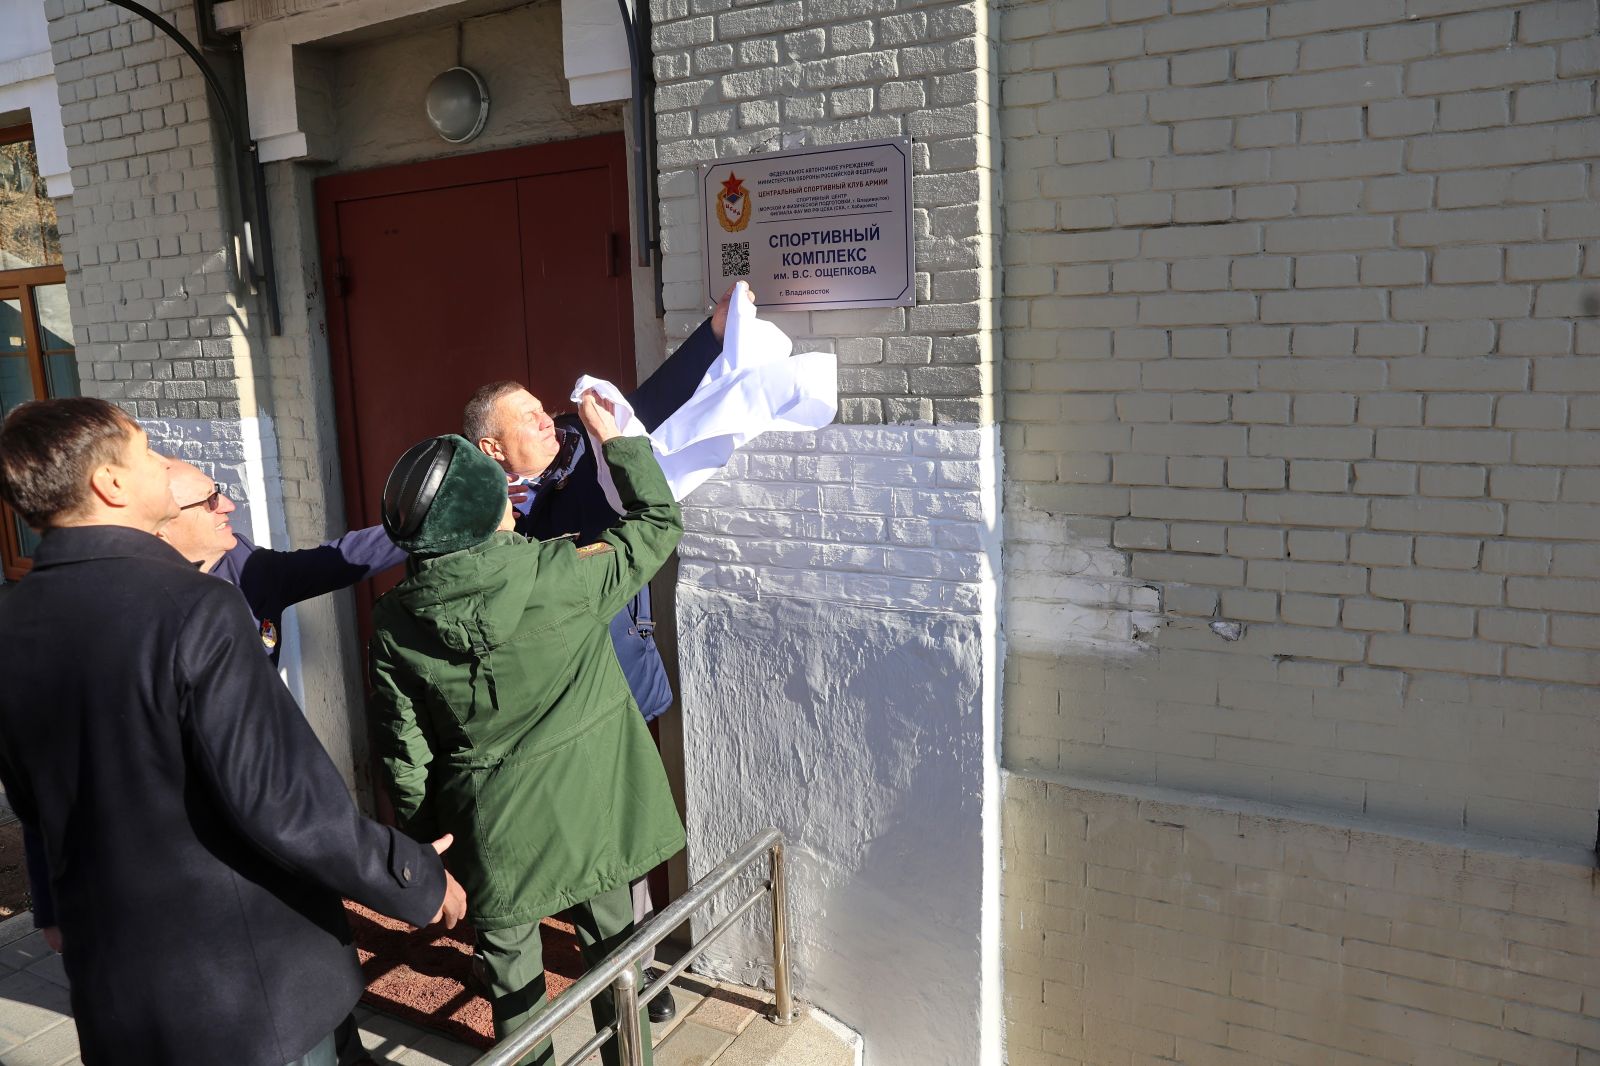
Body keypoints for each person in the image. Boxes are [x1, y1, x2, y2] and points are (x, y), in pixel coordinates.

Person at [0, 396, 467, 1066]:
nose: (165, 466)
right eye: (148, 453)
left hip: (120, 992)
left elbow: (36, 802)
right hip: (247, 997)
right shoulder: (195, 608)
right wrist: (413, 874)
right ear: (111, 483)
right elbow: (282, 803)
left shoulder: (13, 622)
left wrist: (52, 908)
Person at [368, 393, 684, 1066]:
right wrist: (616, 441)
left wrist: (433, 848)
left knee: (512, 988)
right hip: (594, 810)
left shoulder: (395, 620)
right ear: (491, 510)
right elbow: (659, 521)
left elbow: (404, 751)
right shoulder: (564, 575)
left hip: (494, 835)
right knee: (617, 960)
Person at [462, 287, 749, 1020]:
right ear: (492, 449)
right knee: (545, 849)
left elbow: (644, 410)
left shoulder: (577, 459)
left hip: (610, 690)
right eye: (528, 418)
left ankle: (636, 976)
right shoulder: (472, 514)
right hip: (528, 722)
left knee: (617, 841)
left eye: (542, 408)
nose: (547, 420)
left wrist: (712, 334)